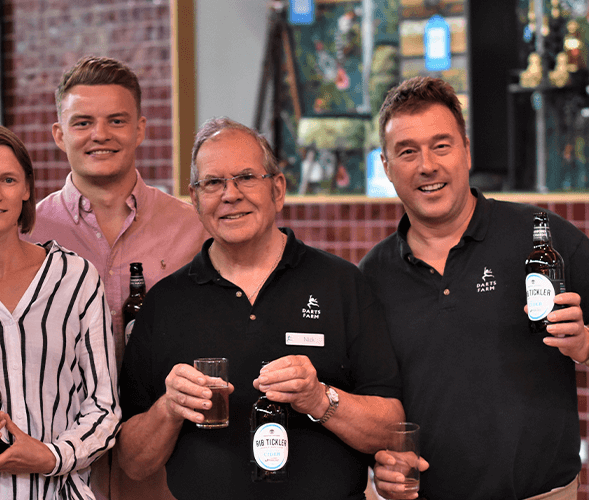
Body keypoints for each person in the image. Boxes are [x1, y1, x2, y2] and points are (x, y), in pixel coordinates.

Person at [117, 117, 404, 500]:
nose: (230, 194)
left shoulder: (342, 284)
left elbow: (391, 428)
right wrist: (169, 408)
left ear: (279, 189)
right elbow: (133, 463)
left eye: (247, 177)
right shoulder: (165, 303)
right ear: (196, 199)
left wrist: (320, 399)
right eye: (213, 183)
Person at [361, 76, 589, 500]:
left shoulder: (542, 238)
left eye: (441, 145)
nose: (427, 165)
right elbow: (373, 405)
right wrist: (384, 463)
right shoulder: (371, 277)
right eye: (407, 152)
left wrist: (584, 344)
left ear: (466, 150)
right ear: (386, 166)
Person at [27, 55, 207, 499]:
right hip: (55, 462)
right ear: (59, 133)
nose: (100, 135)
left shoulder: (193, 228)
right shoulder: (27, 231)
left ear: (141, 129)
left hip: (169, 458)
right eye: (83, 122)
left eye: (117, 120)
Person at [0, 123, 120, 500]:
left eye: (9, 180)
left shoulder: (75, 279)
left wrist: (49, 456)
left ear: (28, 188)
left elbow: (104, 406)